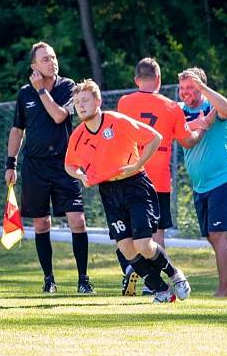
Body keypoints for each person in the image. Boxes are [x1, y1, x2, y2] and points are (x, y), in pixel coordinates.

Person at [64, 79, 191, 303]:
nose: (81, 106)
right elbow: (69, 165)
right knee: (126, 248)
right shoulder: (77, 135)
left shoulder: (117, 121)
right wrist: (81, 176)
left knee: (143, 244)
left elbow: (155, 138)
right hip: (108, 192)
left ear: (98, 101)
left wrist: (135, 165)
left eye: (85, 100)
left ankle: (175, 274)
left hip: (135, 185)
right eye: (77, 102)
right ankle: (161, 289)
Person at [4, 42, 92, 294]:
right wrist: (11, 163)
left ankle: (83, 280)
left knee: (78, 221)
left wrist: (42, 91)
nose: (52, 62)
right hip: (35, 167)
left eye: (53, 57)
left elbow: (59, 116)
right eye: (45, 59)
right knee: (41, 224)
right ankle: (49, 279)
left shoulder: (69, 86)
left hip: (65, 164)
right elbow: (17, 130)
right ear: (34, 66)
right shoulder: (24, 93)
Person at [116, 58, 205, 294]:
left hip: (130, 174)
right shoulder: (172, 107)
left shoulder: (124, 102)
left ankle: (133, 269)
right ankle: (153, 283)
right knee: (156, 234)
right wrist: (201, 127)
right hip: (158, 179)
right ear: (159, 79)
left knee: (130, 233)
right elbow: (187, 140)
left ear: (136, 80)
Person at [178, 67, 227, 298]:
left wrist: (204, 89)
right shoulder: (179, 111)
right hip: (200, 185)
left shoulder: (212, 106)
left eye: (191, 87)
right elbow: (177, 134)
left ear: (201, 87)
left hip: (223, 179)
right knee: (214, 236)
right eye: (182, 88)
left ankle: (224, 290)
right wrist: (198, 125)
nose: (185, 92)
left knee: (219, 235)